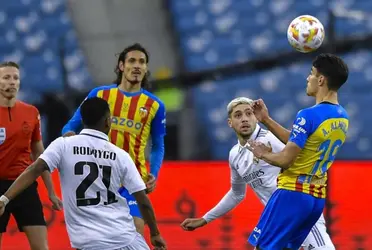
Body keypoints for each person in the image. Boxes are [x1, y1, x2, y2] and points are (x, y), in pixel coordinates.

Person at [0, 97, 167, 250]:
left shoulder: (63, 145)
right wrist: (155, 233)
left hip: (87, 243)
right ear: (108, 122)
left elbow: (34, 169)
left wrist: (5, 198)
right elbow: (143, 201)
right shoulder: (121, 155)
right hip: (124, 239)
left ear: (82, 120)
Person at [180, 97, 335, 250]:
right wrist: (204, 219)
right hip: (276, 219)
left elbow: (304, 153)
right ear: (230, 123)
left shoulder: (271, 139)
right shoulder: (235, 155)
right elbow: (236, 194)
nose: (244, 119)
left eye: (249, 113)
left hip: (299, 210)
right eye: (238, 115)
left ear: (256, 117)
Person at [245, 53, 349, 249]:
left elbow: (286, 159)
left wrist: (263, 153)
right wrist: (266, 120)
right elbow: (300, 142)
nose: (307, 78)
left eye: (311, 73)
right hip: (316, 198)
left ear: (320, 80)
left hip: (292, 194)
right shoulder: (342, 116)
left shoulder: (308, 115)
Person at [61, 43, 166, 235]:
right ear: (121, 66)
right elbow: (70, 125)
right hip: (98, 181)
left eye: (142, 62)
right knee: (95, 241)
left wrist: (155, 173)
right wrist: (69, 136)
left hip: (132, 181)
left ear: (146, 68)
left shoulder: (155, 105)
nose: (137, 65)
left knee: (135, 234)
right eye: (132, 61)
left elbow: (158, 145)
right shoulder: (100, 94)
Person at [0, 61, 61, 250]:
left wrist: (51, 190)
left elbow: (39, 154)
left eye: (15, 78)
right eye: (6, 77)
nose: (12, 82)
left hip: (24, 186)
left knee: (41, 247)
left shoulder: (31, 112)